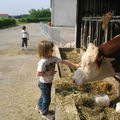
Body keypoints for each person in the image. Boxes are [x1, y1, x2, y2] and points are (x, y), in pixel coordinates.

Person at [35, 40, 79, 119]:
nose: (52, 50)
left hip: (48, 82)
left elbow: (63, 61)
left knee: (43, 96)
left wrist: (75, 65)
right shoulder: (43, 62)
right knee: (47, 99)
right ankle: (44, 113)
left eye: (52, 49)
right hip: (43, 83)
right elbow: (38, 73)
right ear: (44, 51)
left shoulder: (53, 58)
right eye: (51, 49)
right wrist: (49, 73)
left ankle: (38, 106)